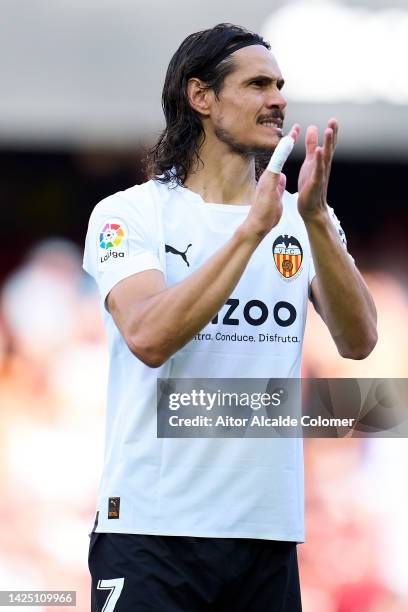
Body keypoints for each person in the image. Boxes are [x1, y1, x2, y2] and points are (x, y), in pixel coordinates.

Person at [83, 23, 377, 612]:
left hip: (265, 536)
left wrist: (315, 220)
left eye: (281, 86)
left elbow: (359, 340)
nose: (279, 99)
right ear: (201, 96)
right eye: (258, 84)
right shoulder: (130, 215)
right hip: (153, 531)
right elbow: (147, 336)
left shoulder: (302, 218)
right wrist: (250, 233)